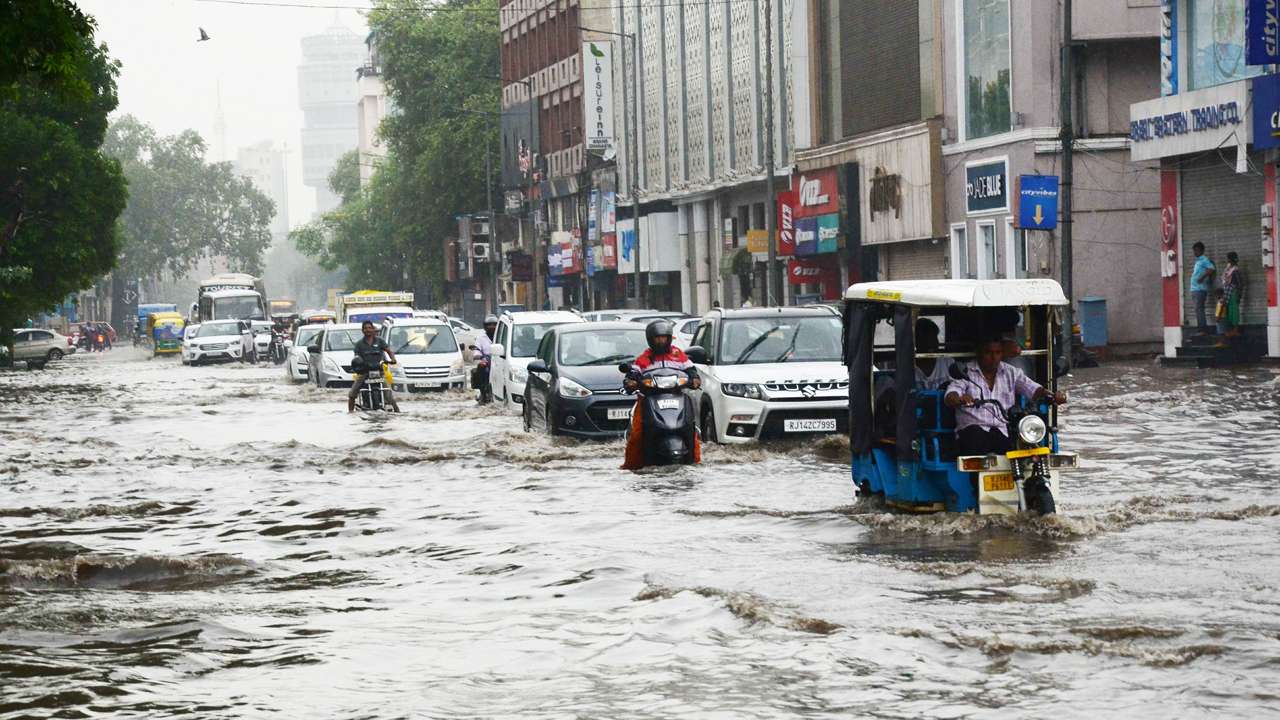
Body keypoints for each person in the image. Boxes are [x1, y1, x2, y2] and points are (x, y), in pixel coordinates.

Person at [945, 337, 1066, 455]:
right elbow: (951, 394)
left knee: (1023, 446)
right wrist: (960, 399)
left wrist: (1052, 395)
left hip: (1001, 431)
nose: (993, 358)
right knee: (975, 435)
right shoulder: (966, 371)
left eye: (997, 353)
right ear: (979, 353)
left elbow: (1033, 388)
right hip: (972, 432)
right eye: (988, 353)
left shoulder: (1011, 372)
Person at [622, 319, 702, 470]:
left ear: (669, 338)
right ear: (650, 340)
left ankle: (695, 461)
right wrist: (631, 382)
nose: (661, 341)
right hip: (650, 399)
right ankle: (631, 466)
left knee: (692, 431)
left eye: (664, 337)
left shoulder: (679, 355)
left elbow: (691, 370)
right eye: (657, 338)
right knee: (637, 435)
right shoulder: (644, 359)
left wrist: (695, 379)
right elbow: (633, 374)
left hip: (676, 396)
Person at [348, 321, 400, 412]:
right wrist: (357, 364)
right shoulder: (359, 344)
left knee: (388, 393)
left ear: (373, 329)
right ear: (362, 330)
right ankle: (350, 412)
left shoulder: (380, 341)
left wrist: (393, 359)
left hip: (379, 372)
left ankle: (397, 411)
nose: (367, 330)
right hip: (364, 372)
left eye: (369, 328)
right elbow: (356, 357)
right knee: (352, 393)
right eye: (365, 328)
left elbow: (389, 351)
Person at [1189, 241, 1215, 334]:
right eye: (1194, 250)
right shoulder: (1199, 261)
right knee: (1198, 309)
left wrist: (1202, 277)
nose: (1195, 252)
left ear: (1202, 250)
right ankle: (1201, 328)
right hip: (1195, 289)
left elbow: (1211, 269)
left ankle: (1202, 329)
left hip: (1199, 289)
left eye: (1196, 250)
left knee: (1199, 309)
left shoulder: (1204, 260)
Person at [471, 315, 498, 404]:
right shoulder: (481, 338)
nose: (491, 327)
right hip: (487, 360)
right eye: (489, 325)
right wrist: (480, 356)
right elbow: (476, 350)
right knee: (481, 368)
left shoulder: (501, 335)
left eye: (494, 325)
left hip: (500, 359)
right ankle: (483, 392)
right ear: (485, 326)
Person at [1219, 251, 1245, 341]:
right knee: (1229, 312)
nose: (1228, 261)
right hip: (1227, 292)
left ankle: (1235, 330)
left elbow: (1240, 284)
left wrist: (1239, 295)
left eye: (1229, 259)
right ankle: (1230, 330)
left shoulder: (1235, 271)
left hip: (1233, 292)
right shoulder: (1228, 269)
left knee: (1234, 312)